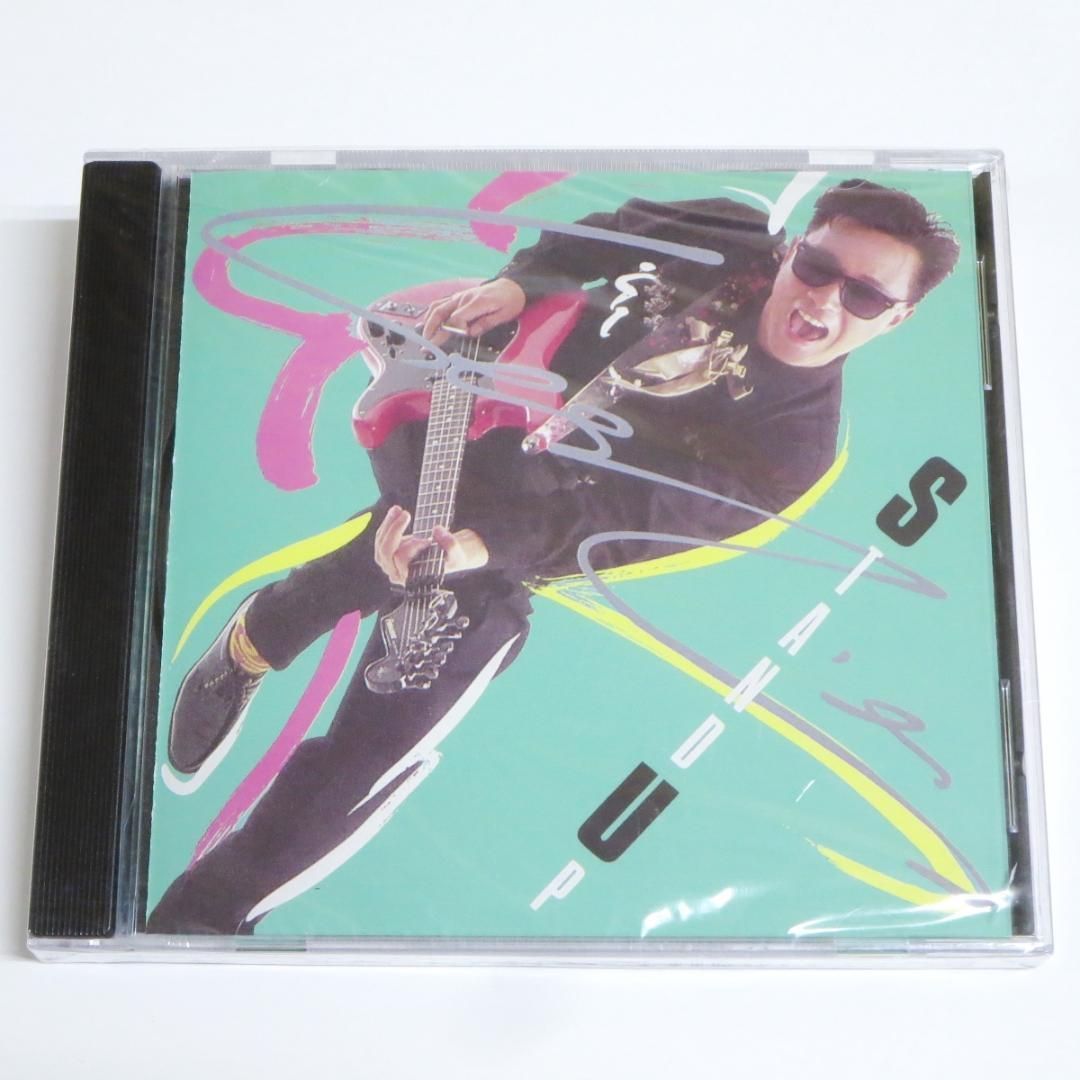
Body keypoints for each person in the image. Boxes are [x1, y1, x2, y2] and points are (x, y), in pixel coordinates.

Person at [147, 179, 960, 934]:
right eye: (817, 267)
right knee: (369, 554)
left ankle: (200, 920)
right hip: (468, 399)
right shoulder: (732, 230)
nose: (824, 298)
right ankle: (251, 645)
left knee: (374, 743)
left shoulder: (792, 450)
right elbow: (605, 232)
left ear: (897, 318)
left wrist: (475, 547)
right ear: (794, 249)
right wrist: (522, 283)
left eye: (865, 295)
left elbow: (621, 520)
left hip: (527, 531)